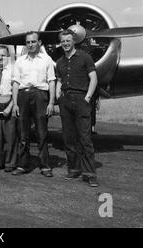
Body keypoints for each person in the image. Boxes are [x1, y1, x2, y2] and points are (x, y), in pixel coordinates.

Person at [55, 29, 99, 187]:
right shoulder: (59, 62)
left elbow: (93, 78)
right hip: (65, 100)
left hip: (81, 99)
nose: (65, 43)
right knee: (68, 137)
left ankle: (90, 173)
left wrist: (87, 97)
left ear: (73, 41)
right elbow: (59, 80)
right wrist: (57, 95)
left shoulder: (85, 57)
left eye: (68, 40)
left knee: (85, 138)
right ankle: (74, 169)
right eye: (63, 41)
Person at [12, 32, 56, 177]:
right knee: (23, 133)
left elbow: (51, 81)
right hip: (23, 95)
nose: (30, 44)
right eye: (28, 42)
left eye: (33, 42)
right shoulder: (20, 61)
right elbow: (16, 83)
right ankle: (22, 165)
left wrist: (51, 102)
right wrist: (15, 103)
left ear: (39, 42)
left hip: (40, 95)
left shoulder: (47, 59)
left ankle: (45, 166)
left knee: (41, 132)